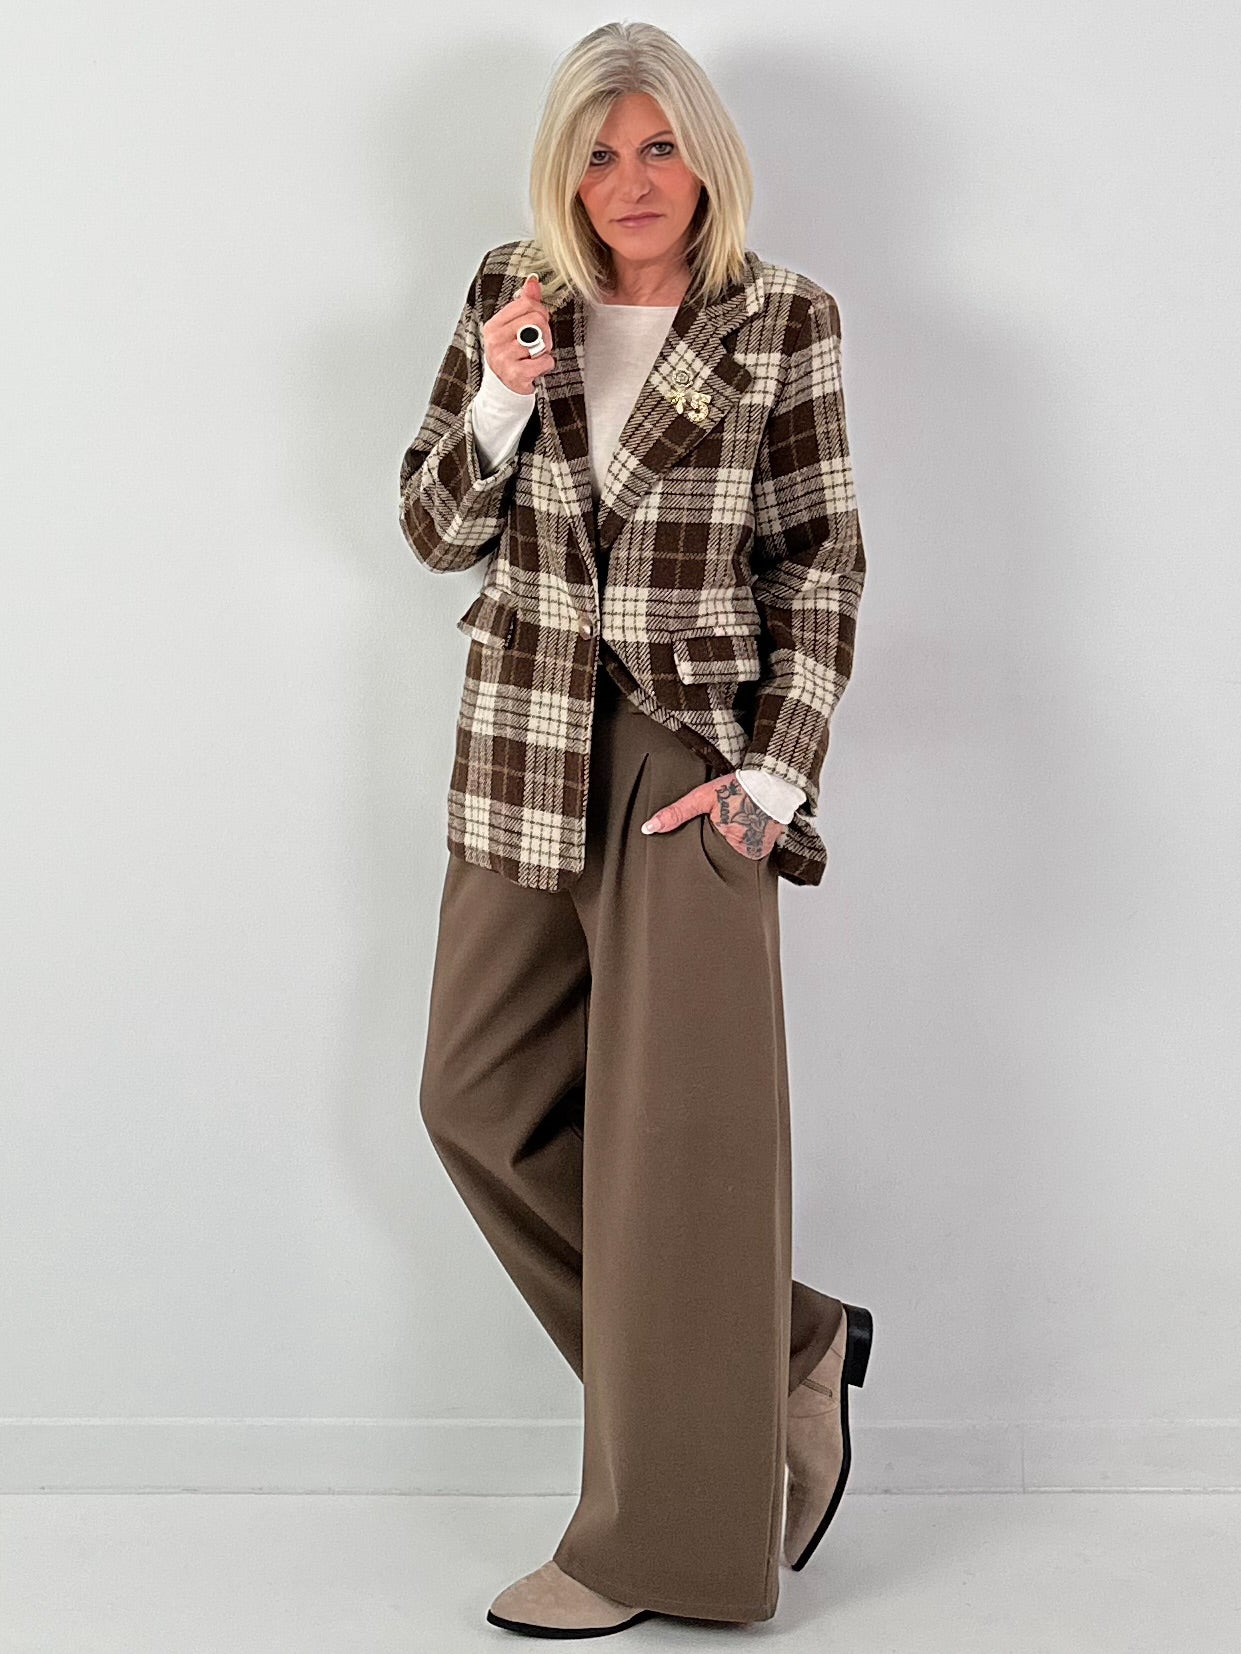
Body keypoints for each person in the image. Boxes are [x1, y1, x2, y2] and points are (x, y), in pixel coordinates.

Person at [398, 20, 874, 1638]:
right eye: (598, 154)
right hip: (521, 747)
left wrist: (774, 777)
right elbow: (432, 529)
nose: (630, 180)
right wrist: (498, 397)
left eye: (657, 145)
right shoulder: (507, 292)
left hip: (688, 766)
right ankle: (784, 1346)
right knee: (474, 1100)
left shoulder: (781, 316)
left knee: (676, 1156)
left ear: (702, 155)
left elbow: (820, 559)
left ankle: (651, 1546)